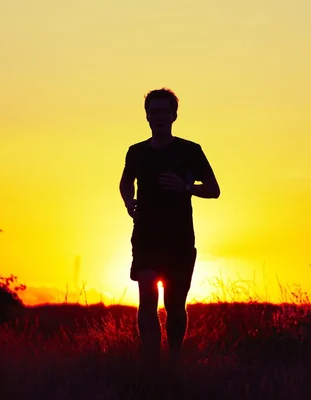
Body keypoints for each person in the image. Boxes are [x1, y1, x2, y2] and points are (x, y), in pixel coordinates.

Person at [119, 88, 221, 370]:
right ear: (147, 116)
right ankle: (150, 362)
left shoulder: (190, 151)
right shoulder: (136, 152)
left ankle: (174, 358)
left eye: (165, 111)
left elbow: (214, 190)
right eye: (154, 112)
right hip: (146, 236)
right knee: (148, 296)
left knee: (175, 307)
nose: (159, 117)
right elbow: (125, 182)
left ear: (174, 115)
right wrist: (129, 203)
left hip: (179, 239)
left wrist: (186, 187)